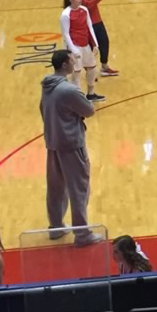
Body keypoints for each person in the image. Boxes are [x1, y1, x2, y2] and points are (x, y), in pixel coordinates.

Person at [42, 49, 97, 242]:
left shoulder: (47, 85)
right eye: (72, 60)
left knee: (56, 188)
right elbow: (89, 110)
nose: (75, 62)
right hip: (71, 144)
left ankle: (56, 227)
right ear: (65, 64)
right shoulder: (69, 90)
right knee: (79, 188)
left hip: (53, 142)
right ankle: (82, 233)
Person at [60, 0, 107, 102]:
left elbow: (90, 27)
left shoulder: (84, 10)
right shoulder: (65, 14)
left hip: (85, 44)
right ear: (71, 0)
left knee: (92, 68)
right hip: (74, 46)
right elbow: (66, 34)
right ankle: (76, 98)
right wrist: (73, 50)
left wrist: (95, 44)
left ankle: (90, 94)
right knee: (76, 72)